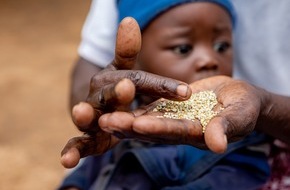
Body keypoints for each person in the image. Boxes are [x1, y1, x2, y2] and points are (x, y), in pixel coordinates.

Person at [58, 0, 271, 189]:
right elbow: (90, 170)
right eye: (183, 49)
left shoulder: (235, 140)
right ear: (136, 63)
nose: (209, 59)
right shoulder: (120, 123)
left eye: (221, 46)